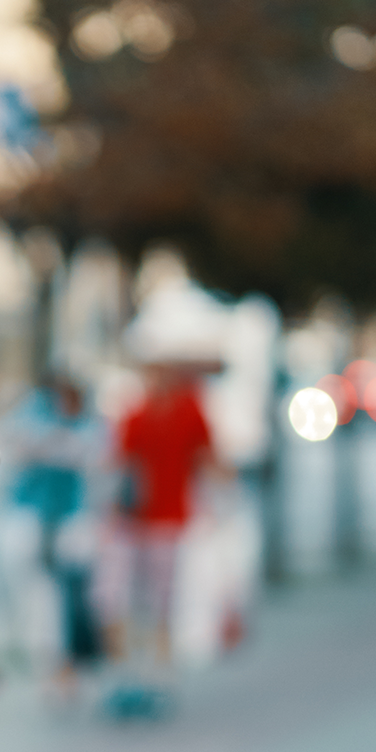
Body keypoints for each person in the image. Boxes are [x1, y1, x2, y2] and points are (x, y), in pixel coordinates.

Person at [95, 289, 225, 709]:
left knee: (159, 599)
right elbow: (116, 466)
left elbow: (208, 460)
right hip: (134, 519)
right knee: (121, 596)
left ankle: (158, 674)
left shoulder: (189, 409)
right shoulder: (138, 411)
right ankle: (128, 673)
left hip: (169, 518)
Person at [0, 375, 104, 688]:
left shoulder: (86, 428)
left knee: (63, 598)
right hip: (34, 520)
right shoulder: (33, 417)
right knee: (37, 596)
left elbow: (88, 459)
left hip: (68, 523)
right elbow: (14, 444)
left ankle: (64, 663)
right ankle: (50, 661)